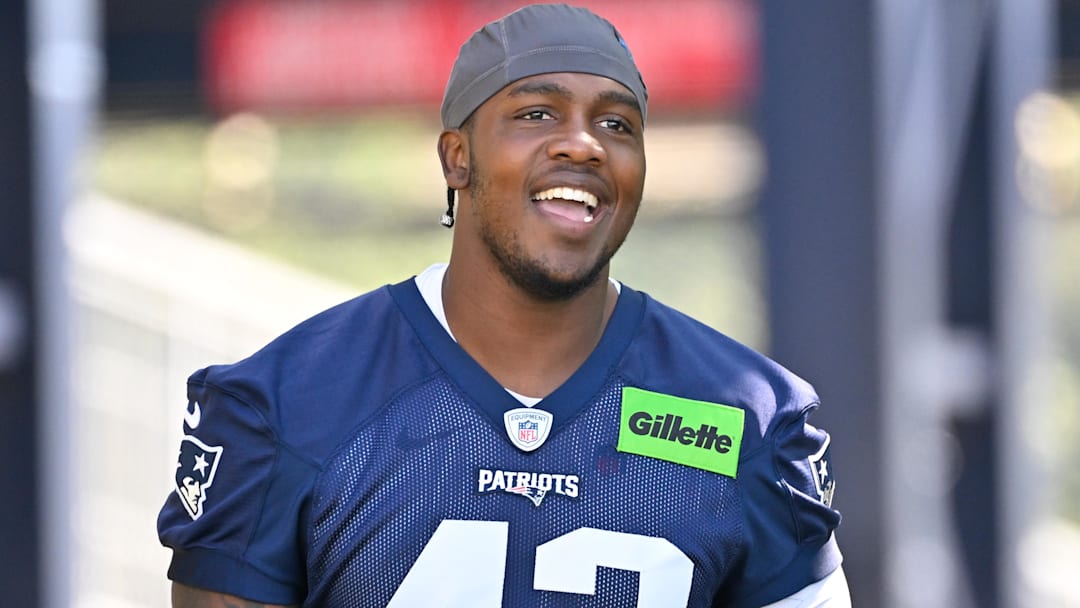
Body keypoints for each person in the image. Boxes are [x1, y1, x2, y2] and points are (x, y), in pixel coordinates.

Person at [158, 4, 851, 606]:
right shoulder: (287, 402)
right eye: (536, 113)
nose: (582, 143)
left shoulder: (744, 419)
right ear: (456, 159)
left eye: (616, 124)